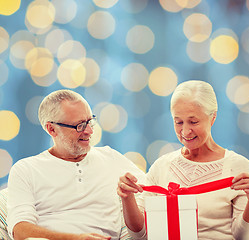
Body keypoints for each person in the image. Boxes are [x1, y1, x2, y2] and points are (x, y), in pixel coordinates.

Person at [117, 80, 249, 239]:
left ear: (212, 117)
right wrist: (127, 198)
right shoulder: (162, 166)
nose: (185, 131)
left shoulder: (237, 166)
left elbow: (243, 237)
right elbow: (140, 236)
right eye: (178, 122)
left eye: (193, 122)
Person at [7, 89, 145, 240]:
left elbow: (155, 191)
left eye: (90, 121)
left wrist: (128, 195)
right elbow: (20, 231)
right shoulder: (26, 170)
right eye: (80, 125)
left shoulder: (111, 158)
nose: (90, 131)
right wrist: (76, 238)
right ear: (51, 129)